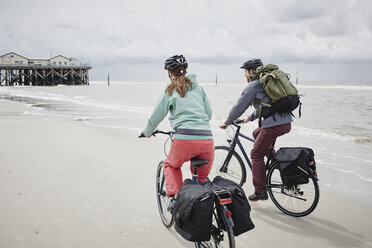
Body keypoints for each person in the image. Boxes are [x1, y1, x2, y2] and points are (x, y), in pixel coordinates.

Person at [140, 55, 214, 199]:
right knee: (202, 179)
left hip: (184, 140)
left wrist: (147, 132)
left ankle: (177, 200)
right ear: (185, 71)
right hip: (207, 140)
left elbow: (157, 115)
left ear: (169, 72)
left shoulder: (170, 90)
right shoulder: (199, 88)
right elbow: (209, 114)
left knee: (171, 165)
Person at [220, 58, 292, 202]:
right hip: (285, 122)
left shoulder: (253, 85)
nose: (245, 75)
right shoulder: (266, 83)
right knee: (256, 133)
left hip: (274, 125)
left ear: (252, 71)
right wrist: (249, 118)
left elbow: (238, 106)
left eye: (245, 72)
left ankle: (260, 192)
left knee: (256, 155)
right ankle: (276, 162)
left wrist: (227, 122)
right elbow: (266, 105)